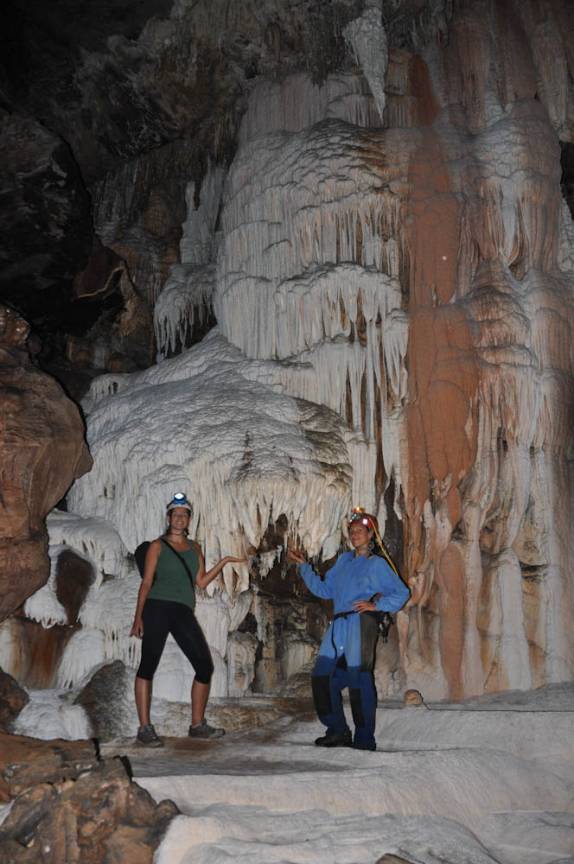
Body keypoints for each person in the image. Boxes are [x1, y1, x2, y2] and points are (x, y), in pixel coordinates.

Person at [287, 507, 410, 751]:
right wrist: (304, 567)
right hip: (338, 627)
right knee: (322, 678)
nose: (355, 535)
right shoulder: (343, 562)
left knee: (358, 678)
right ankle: (337, 730)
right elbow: (325, 590)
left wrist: (377, 605)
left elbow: (402, 593)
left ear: (371, 535)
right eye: (352, 531)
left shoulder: (376, 565)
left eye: (360, 531)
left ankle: (364, 739)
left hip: (359, 623)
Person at [130, 492, 244, 747]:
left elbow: (201, 582)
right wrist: (138, 617)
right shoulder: (157, 546)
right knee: (148, 665)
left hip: (182, 610)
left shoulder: (195, 549)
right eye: (176, 514)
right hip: (157, 607)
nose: (180, 518)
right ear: (169, 517)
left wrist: (224, 561)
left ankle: (197, 725)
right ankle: (145, 728)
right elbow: (147, 582)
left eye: (184, 515)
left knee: (204, 666)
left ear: (189, 520)